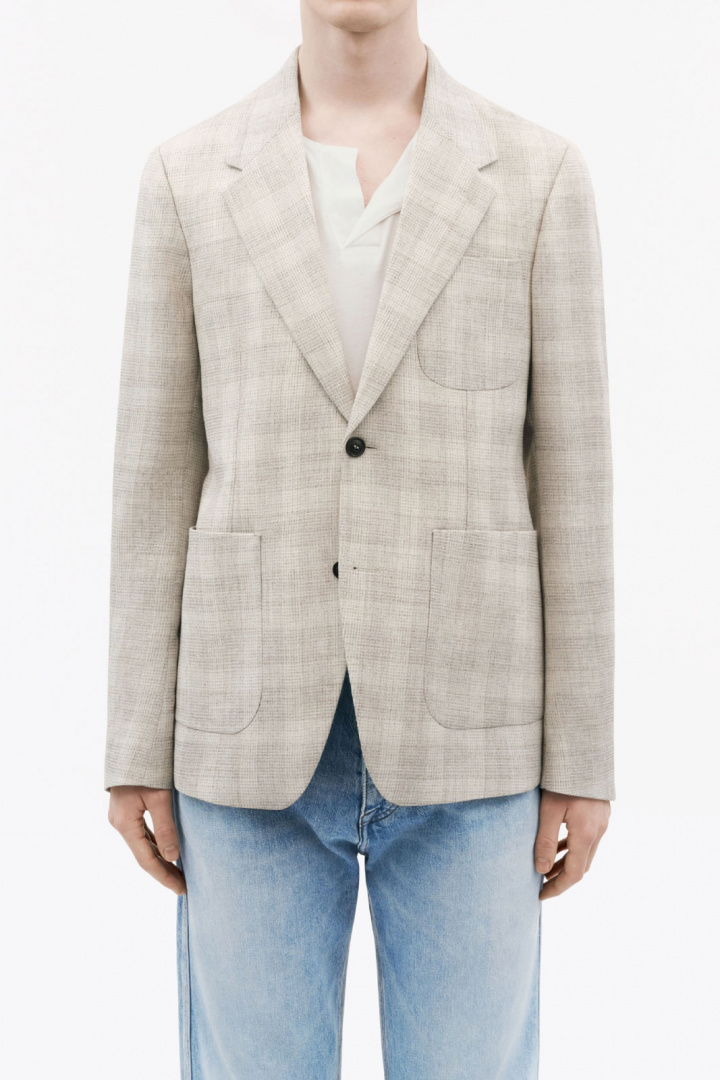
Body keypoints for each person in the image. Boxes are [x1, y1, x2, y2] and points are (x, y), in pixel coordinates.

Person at [105, 2, 614, 1076]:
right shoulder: (188, 179)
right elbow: (155, 477)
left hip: (475, 730)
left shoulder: (538, 178)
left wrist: (583, 753)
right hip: (245, 732)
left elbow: (574, 481)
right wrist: (133, 743)